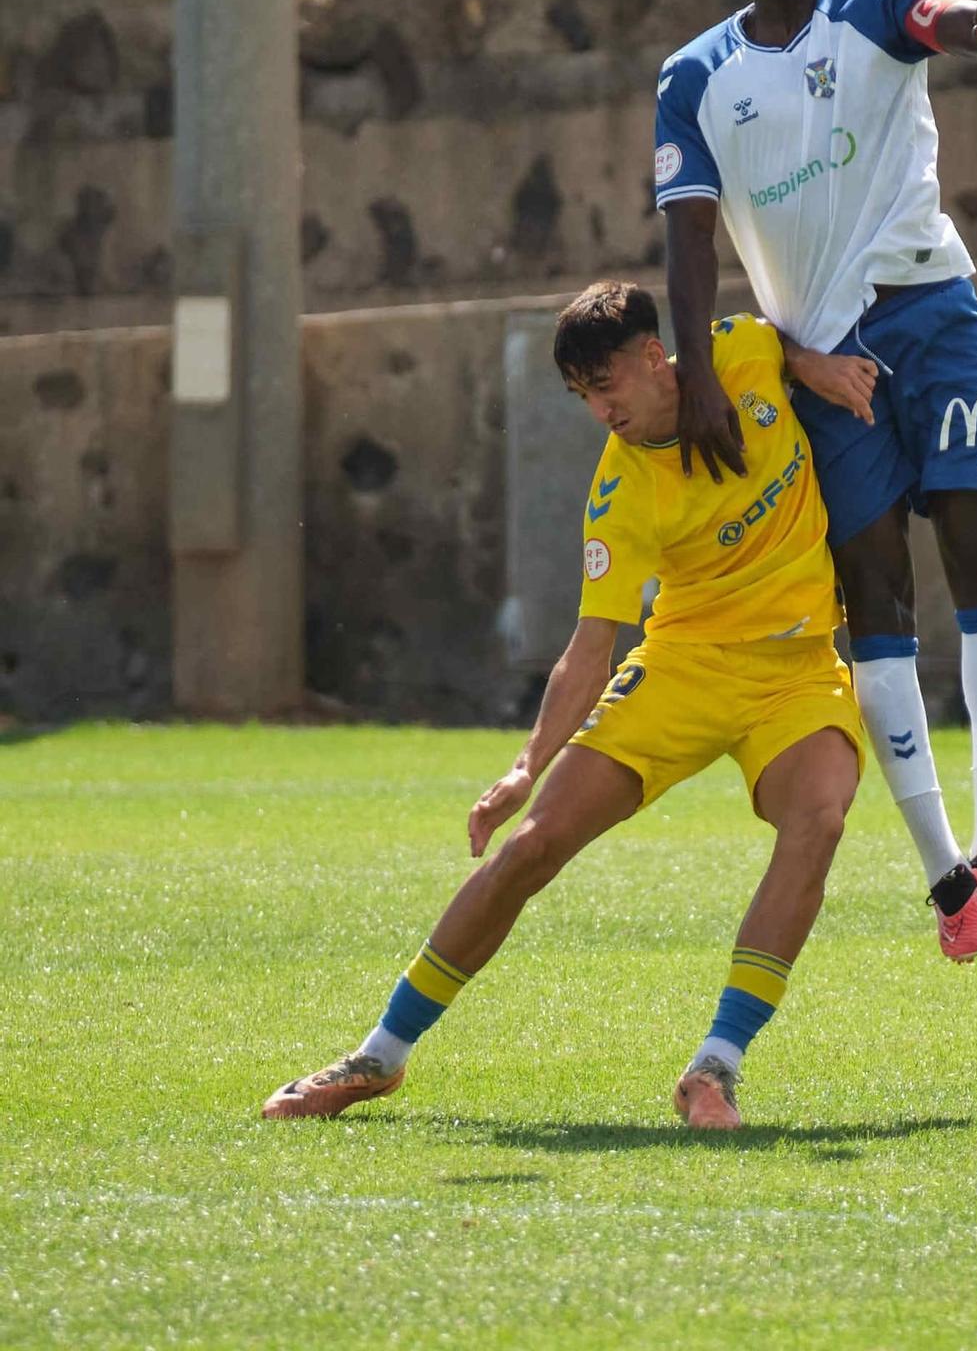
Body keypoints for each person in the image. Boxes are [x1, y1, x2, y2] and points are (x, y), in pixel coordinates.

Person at [262, 279, 865, 1132]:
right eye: (581, 396)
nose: (599, 410)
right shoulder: (620, 492)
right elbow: (591, 649)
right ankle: (378, 1056)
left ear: (655, 357)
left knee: (819, 821)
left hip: (799, 669)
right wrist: (523, 768)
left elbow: (772, 342)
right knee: (532, 845)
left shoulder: (737, 350)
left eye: (605, 384)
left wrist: (819, 367)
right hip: (684, 668)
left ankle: (714, 1067)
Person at [654, 0, 977, 966]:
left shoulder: (873, 5)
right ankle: (941, 876)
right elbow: (686, 244)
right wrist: (700, 376)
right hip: (821, 359)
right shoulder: (694, 77)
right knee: (873, 591)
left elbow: (943, 15)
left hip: (929, 309)